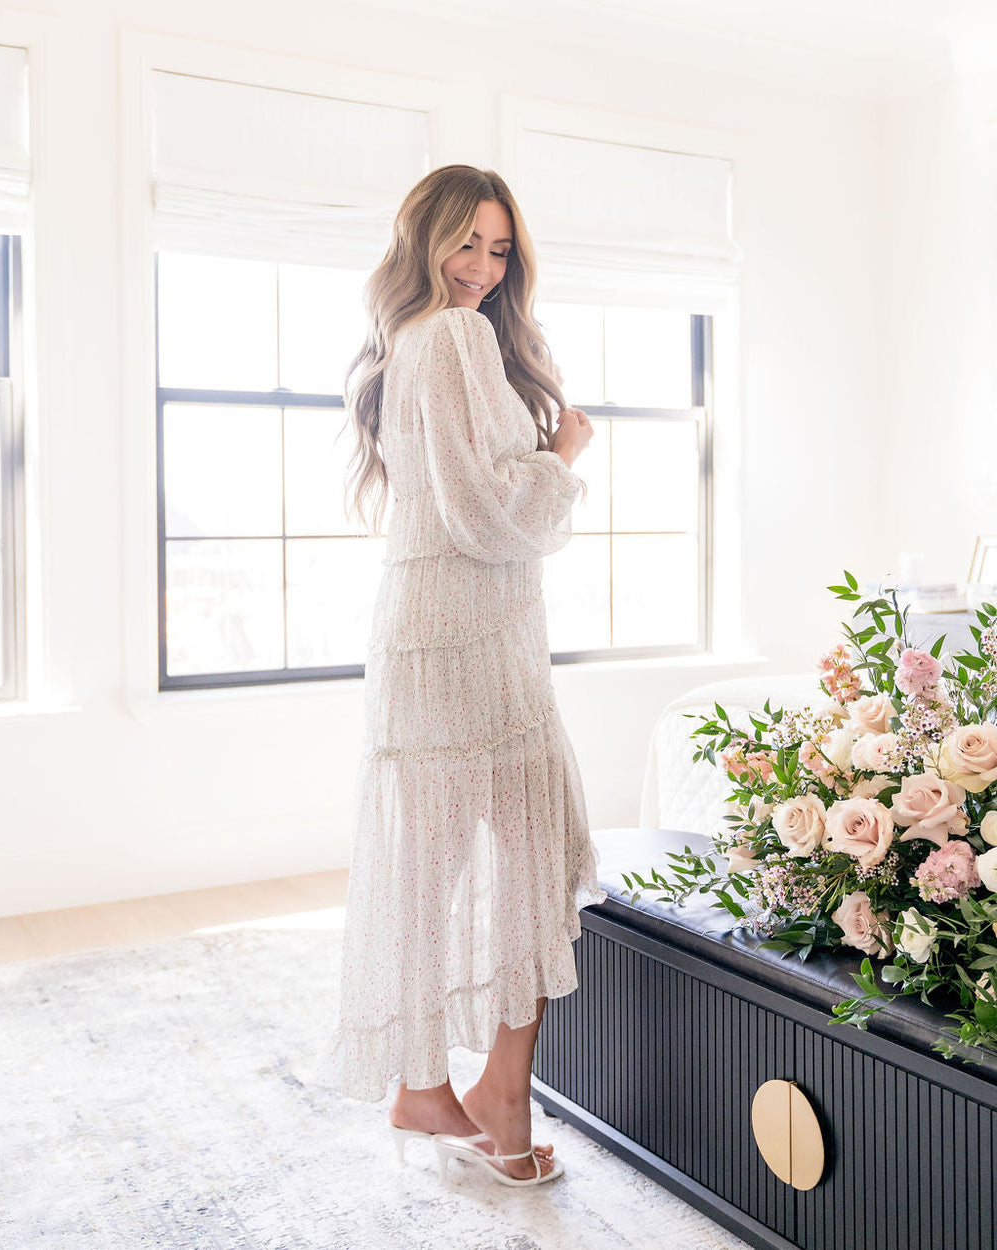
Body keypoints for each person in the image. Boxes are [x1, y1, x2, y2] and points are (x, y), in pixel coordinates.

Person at [310, 164, 606, 1187]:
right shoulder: (452, 337)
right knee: (535, 863)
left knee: (432, 870)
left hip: (431, 632)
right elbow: (485, 510)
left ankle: (426, 1086)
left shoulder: (412, 339)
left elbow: (454, 501)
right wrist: (562, 456)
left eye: (500, 248)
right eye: (466, 242)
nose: (483, 266)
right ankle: (495, 1099)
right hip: (469, 640)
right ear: (425, 240)